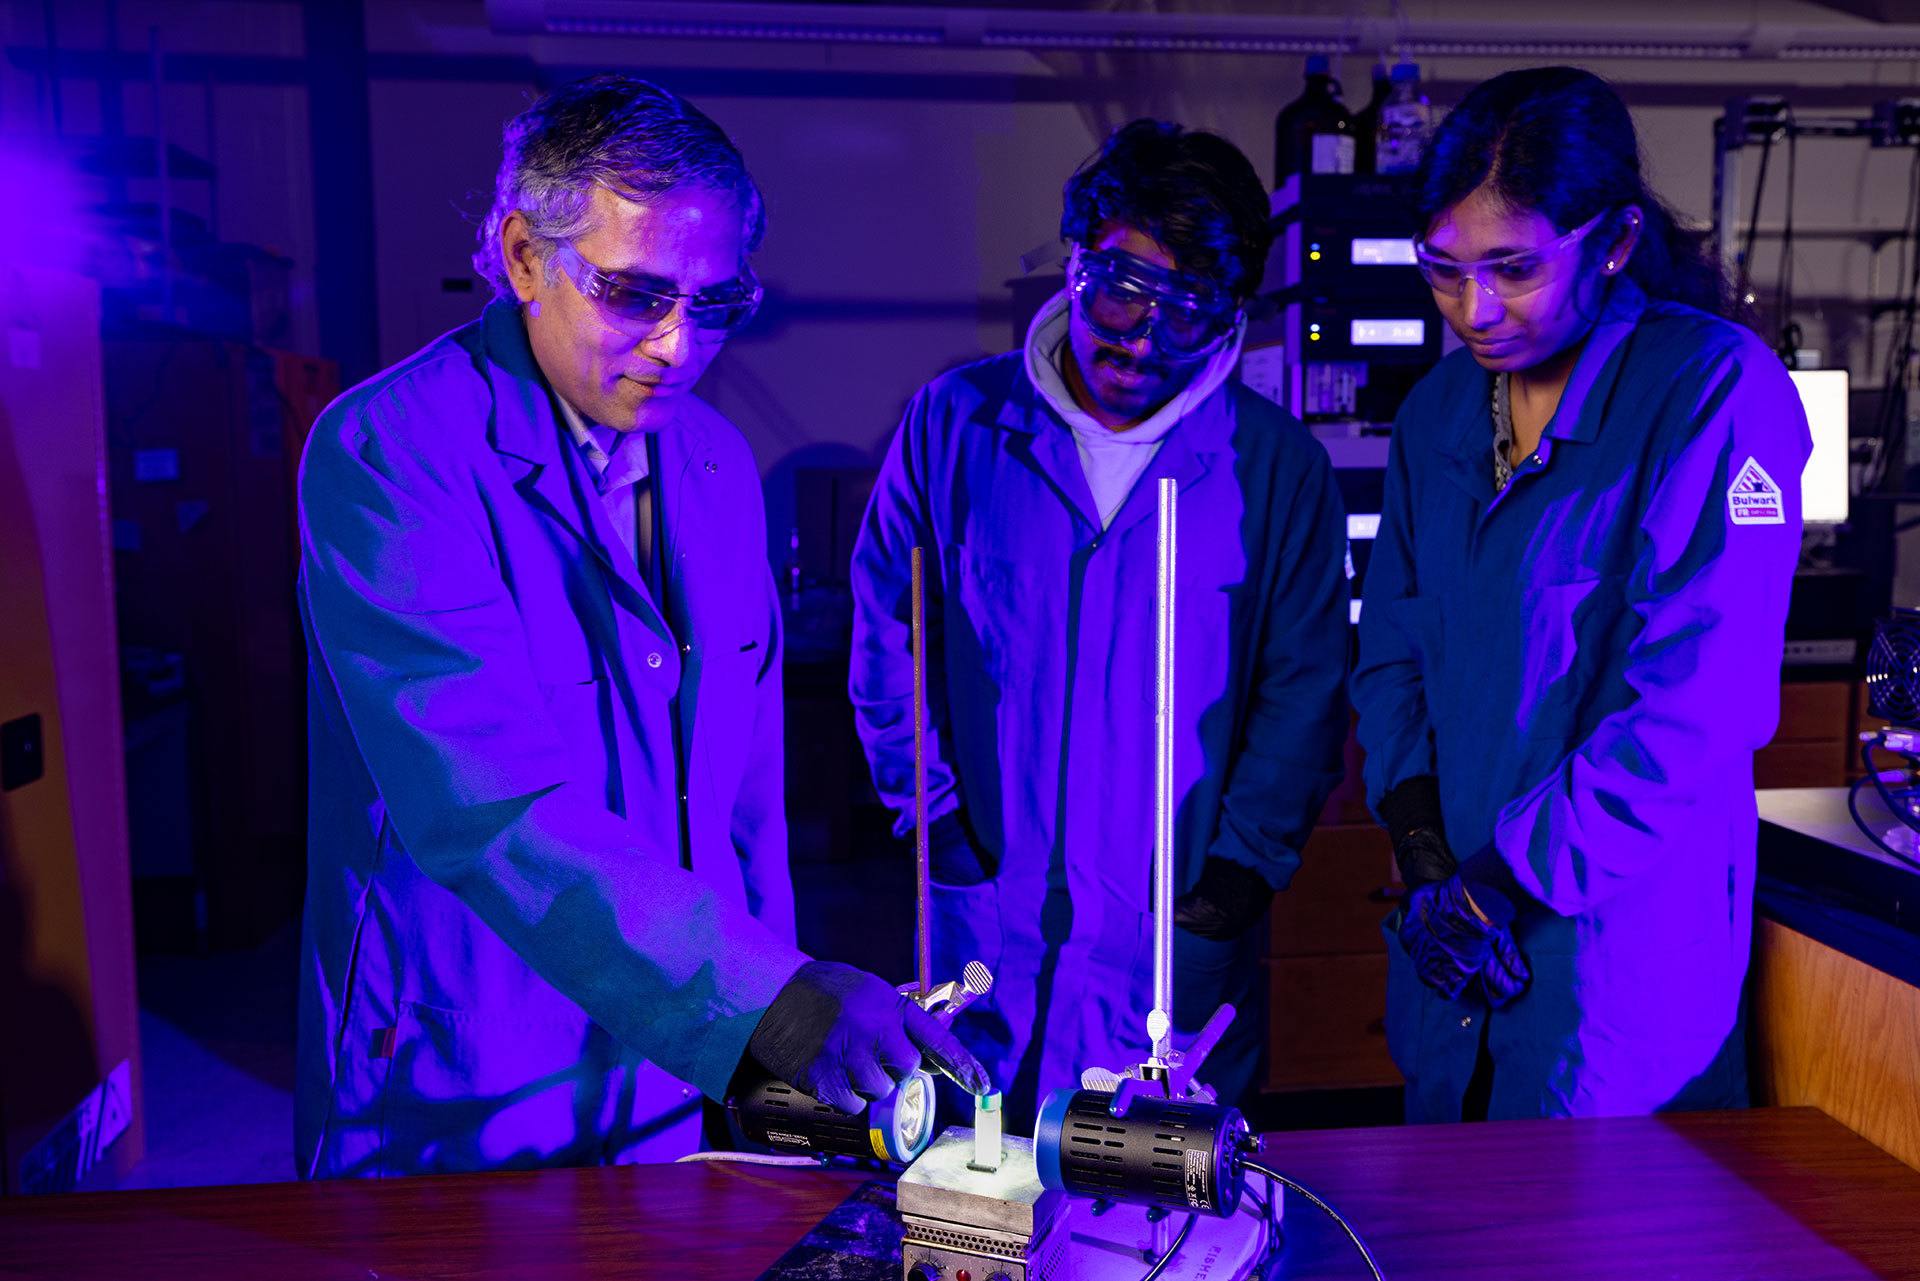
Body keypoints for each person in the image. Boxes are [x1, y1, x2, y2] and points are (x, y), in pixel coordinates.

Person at [295, 75, 983, 1179]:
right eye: (634, 294)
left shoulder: (710, 465)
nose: (676, 344)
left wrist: (772, 1020)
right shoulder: (391, 454)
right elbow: (489, 810)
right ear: (524, 257)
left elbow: (746, 807)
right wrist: (769, 998)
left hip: (674, 1052)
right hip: (467, 1055)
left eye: (714, 304)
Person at [849, 120, 1350, 1123]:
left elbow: (1303, 692)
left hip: (1174, 927)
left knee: (1156, 1207)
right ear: (1073, 261)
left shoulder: (1278, 467)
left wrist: (1235, 879)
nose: (1140, 334)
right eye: (1119, 285)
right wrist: (937, 821)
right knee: (965, 1184)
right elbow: (889, 634)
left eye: (1189, 308)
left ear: (1232, 314)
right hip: (982, 901)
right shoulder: (956, 424)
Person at [1352, 66, 1810, 1122]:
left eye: (1512, 269)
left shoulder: (1713, 394)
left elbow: (1694, 712)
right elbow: (1392, 657)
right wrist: (1427, 859)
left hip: (1611, 970)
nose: (1474, 311)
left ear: (1608, 245)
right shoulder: (1437, 414)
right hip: (1451, 949)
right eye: (1443, 271)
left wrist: (1497, 885)